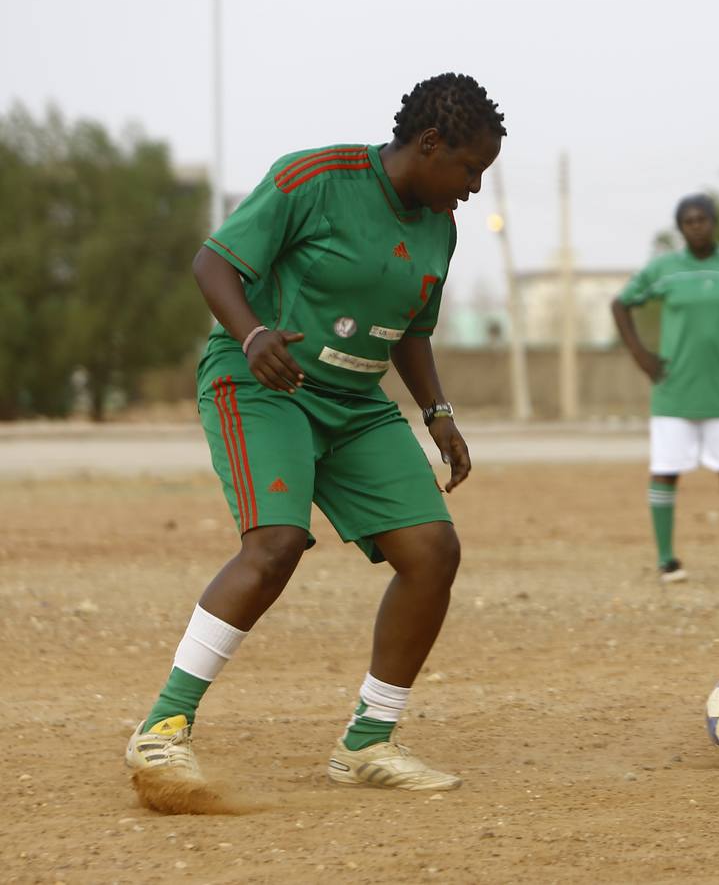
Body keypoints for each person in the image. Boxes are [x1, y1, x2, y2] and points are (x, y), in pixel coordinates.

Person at [124, 73, 505, 804]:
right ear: (429, 145)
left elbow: (412, 332)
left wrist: (438, 412)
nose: (474, 187)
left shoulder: (440, 226)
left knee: (432, 551)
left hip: (356, 401)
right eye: (469, 169)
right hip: (264, 382)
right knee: (273, 545)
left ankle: (367, 743)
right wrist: (254, 332)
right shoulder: (315, 178)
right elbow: (214, 263)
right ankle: (162, 732)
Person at [612, 195, 719, 584]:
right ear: (680, 228)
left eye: (702, 219)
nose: (696, 226)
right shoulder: (665, 270)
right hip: (675, 392)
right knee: (665, 473)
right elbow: (621, 304)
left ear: (714, 222)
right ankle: (666, 560)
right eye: (688, 221)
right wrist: (642, 355)